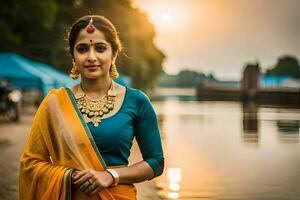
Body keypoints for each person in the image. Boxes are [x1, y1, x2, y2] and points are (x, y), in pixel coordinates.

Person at [19, 15, 164, 200]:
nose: (91, 57)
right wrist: (68, 176)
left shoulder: (137, 101)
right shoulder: (54, 103)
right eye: (82, 49)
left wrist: (111, 176)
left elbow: (156, 162)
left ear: (114, 53)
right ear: (73, 55)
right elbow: (31, 163)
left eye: (100, 48)